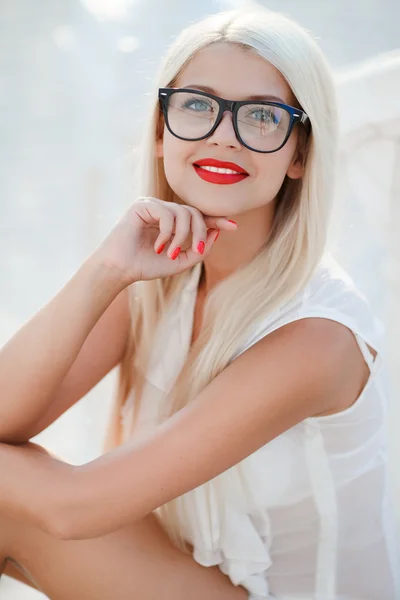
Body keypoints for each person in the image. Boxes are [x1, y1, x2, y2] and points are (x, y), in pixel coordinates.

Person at [0, 6, 398, 600]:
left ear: (299, 154)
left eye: (262, 116)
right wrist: (103, 271)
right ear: (160, 133)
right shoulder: (155, 274)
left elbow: (73, 510)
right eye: (196, 104)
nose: (222, 133)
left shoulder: (317, 337)